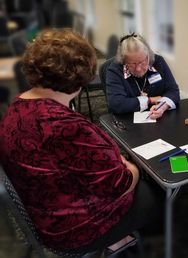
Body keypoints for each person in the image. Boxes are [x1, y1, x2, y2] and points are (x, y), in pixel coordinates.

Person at [0, 28, 163, 254]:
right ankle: (130, 239)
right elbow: (122, 183)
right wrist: (131, 166)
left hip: (45, 209)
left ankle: (118, 237)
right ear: (81, 76)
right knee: (153, 191)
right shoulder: (64, 126)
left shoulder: (17, 107)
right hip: (73, 229)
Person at [106, 32, 180, 119]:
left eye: (142, 62)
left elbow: (173, 91)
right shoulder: (115, 70)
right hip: (128, 120)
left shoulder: (158, 62)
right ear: (124, 61)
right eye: (132, 64)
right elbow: (116, 103)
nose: (138, 69)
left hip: (159, 119)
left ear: (148, 56)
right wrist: (149, 100)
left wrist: (162, 107)